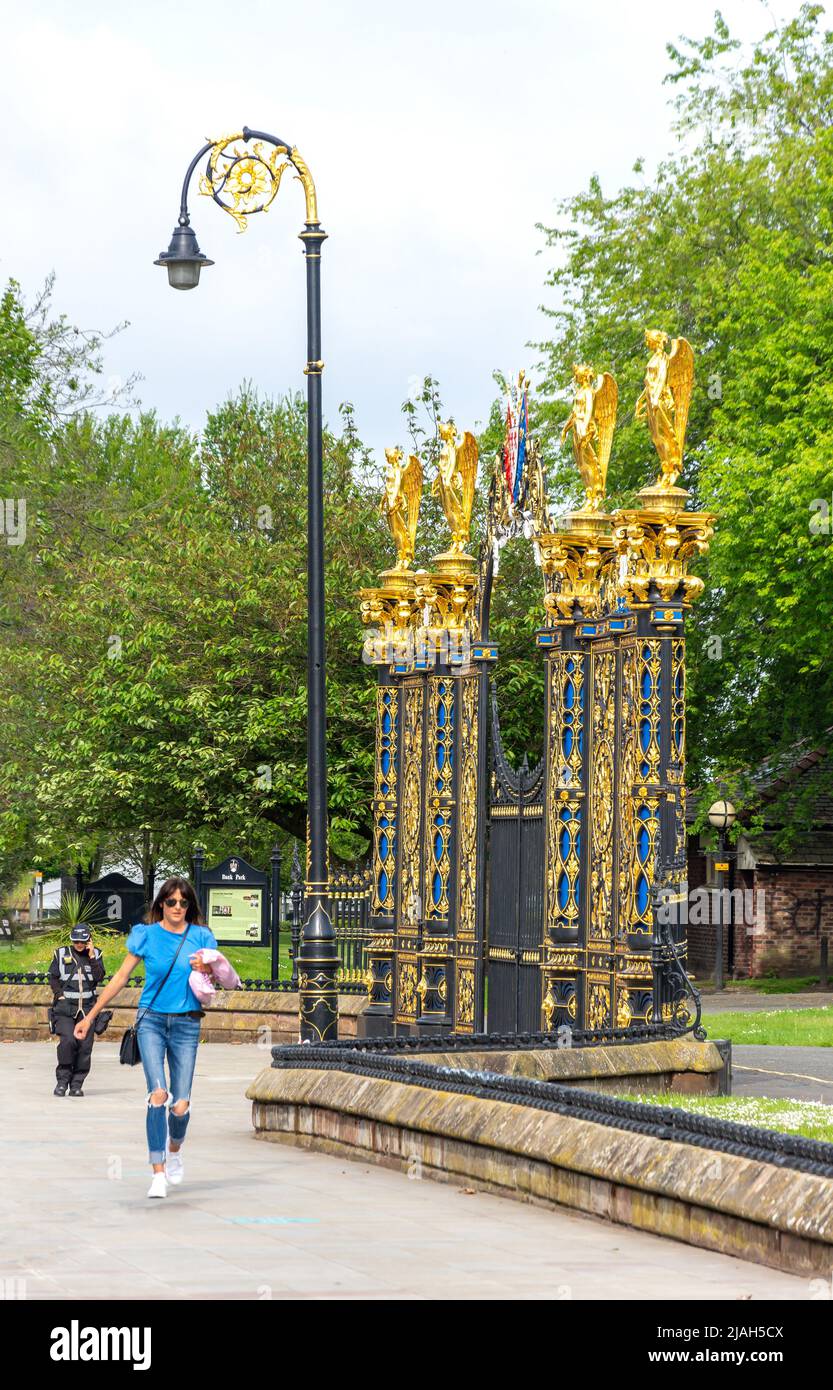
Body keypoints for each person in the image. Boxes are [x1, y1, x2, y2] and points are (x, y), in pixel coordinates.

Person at [74, 877, 216, 1199]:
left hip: (187, 1024)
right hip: (151, 1022)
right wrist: (90, 1015)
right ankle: (158, 1172)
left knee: (180, 1105)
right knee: (158, 1094)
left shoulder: (202, 937)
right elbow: (121, 977)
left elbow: (219, 980)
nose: (177, 907)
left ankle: (175, 1150)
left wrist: (205, 967)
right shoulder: (147, 936)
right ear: (161, 905)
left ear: (189, 906)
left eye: (183, 902)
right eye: (171, 902)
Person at [48, 926, 105, 1096]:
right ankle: (62, 1082)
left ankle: (76, 1084)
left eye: (82, 941)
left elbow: (99, 977)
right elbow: (53, 977)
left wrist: (92, 956)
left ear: (88, 940)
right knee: (68, 1042)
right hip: (66, 1008)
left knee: (85, 1047)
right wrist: (59, 996)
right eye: (76, 941)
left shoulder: (96, 954)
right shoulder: (61, 954)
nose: (79, 944)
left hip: (87, 1008)